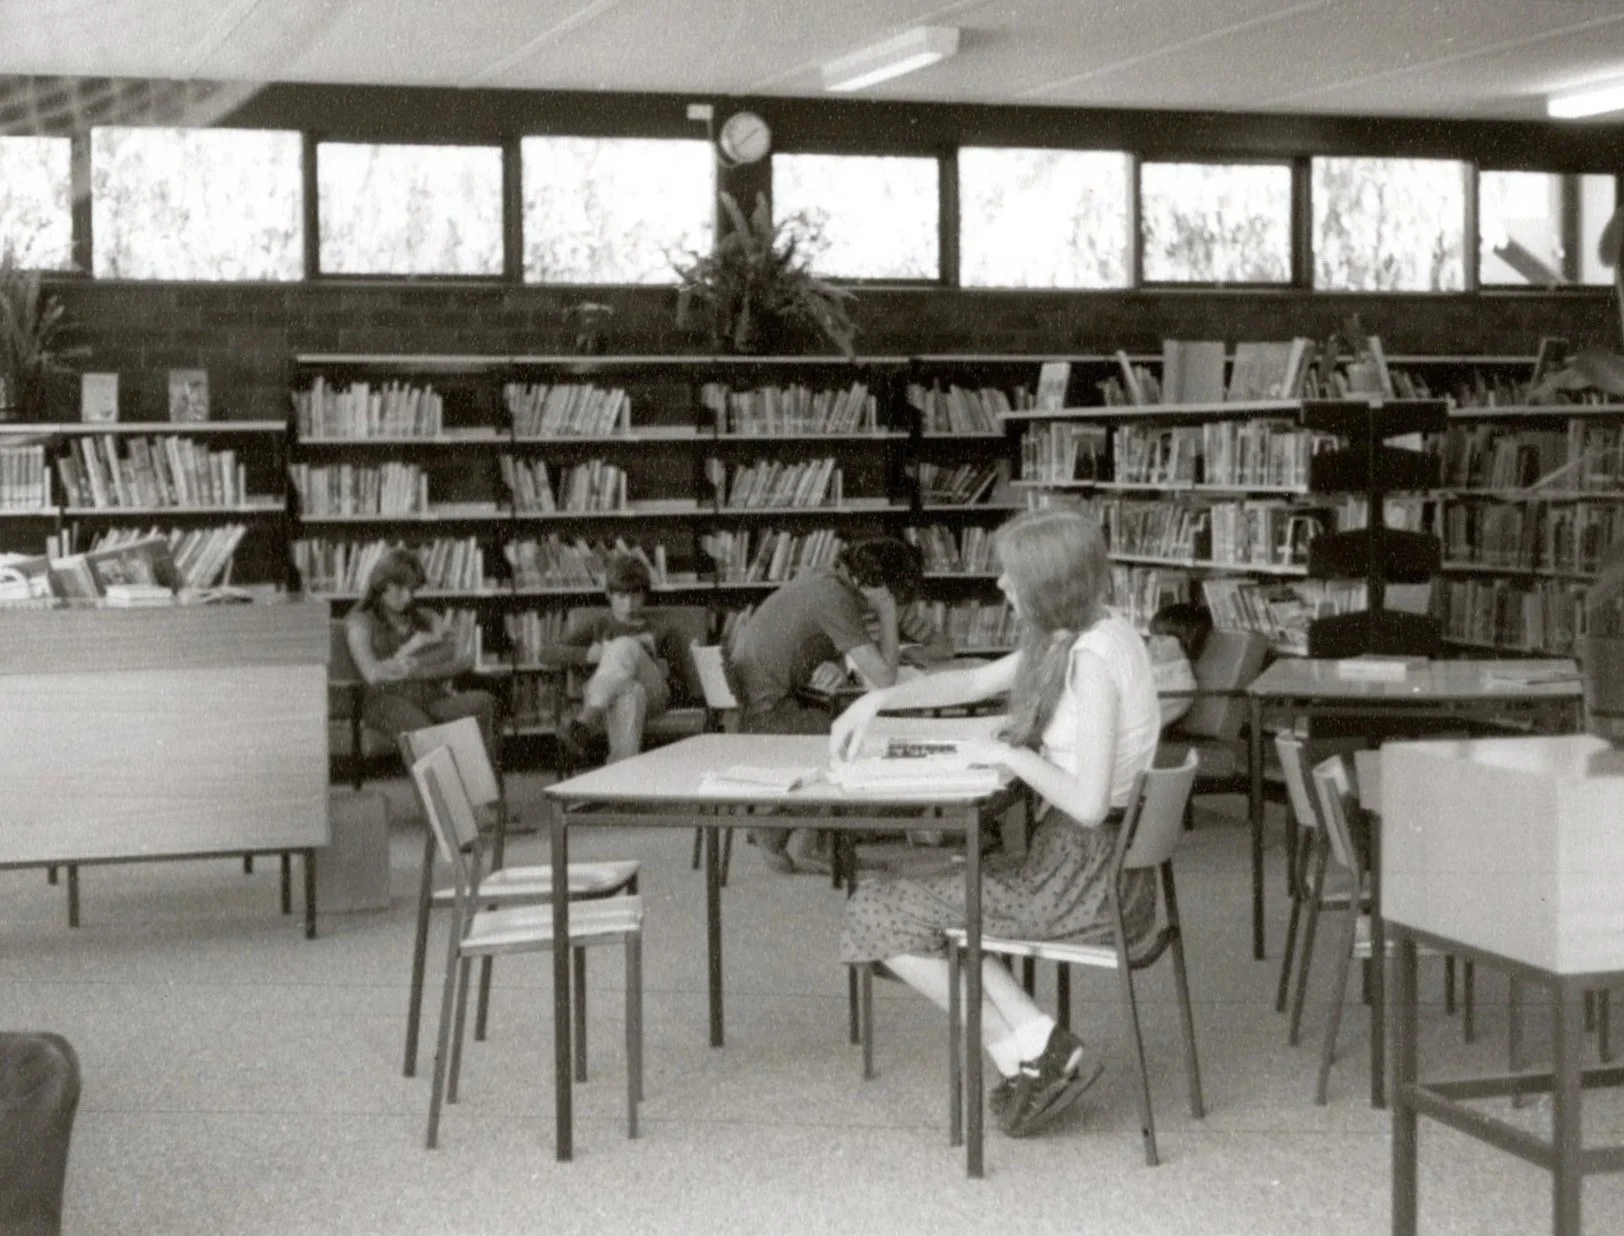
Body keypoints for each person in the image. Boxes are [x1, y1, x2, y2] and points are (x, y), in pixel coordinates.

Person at [830, 507, 1160, 1139]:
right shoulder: (1087, 633)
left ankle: (1023, 1051)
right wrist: (879, 699)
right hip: (1093, 865)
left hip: (1086, 880)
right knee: (931, 894)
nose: (1001, 585)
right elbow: (973, 681)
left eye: (1013, 576)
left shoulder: (1091, 661)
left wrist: (1011, 756)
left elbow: (1089, 803)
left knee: (876, 907)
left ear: (1049, 583)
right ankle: (1036, 1044)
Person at [726, 537, 924, 872]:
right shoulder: (835, 598)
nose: (890, 601)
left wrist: (839, 664)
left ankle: (780, 826)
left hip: (755, 705)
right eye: (890, 593)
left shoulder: (821, 577)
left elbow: (812, 641)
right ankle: (809, 844)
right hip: (768, 716)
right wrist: (887, 613)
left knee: (843, 725)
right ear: (872, 584)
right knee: (850, 740)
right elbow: (884, 677)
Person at [343, 547, 498, 758]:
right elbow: (372, 673)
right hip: (386, 701)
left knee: (484, 703)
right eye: (400, 588)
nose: (408, 597)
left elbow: (463, 658)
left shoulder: (426, 616)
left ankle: (486, 780)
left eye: (412, 590)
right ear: (381, 584)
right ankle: (444, 780)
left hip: (430, 697)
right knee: (428, 734)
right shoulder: (360, 622)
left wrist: (416, 668)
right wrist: (415, 646)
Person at [557, 552, 692, 765]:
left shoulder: (661, 630)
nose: (629, 605)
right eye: (621, 596)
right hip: (612, 696)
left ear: (645, 595)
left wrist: (661, 669)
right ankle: (623, 776)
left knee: (624, 646)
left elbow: (681, 685)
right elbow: (547, 653)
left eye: (635, 596)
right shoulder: (600, 625)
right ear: (609, 594)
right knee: (631, 693)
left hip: (654, 696)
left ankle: (586, 721)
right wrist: (587, 654)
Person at [1146, 601, 1212, 728]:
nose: (1152, 645)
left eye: (1161, 640)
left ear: (1188, 642)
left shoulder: (1181, 684)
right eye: (1152, 638)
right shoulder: (1156, 670)